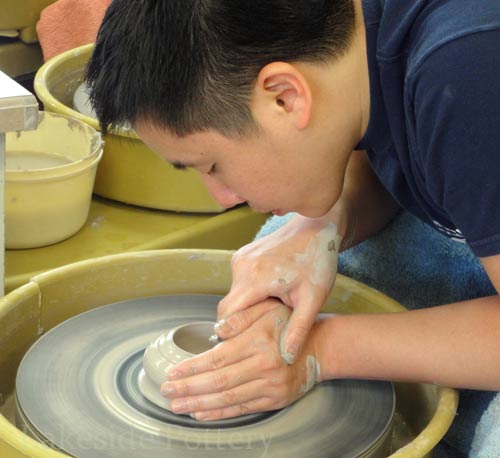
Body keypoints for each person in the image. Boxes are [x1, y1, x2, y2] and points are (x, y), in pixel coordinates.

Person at [86, 0, 500, 455]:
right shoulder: (361, 48)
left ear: (284, 96)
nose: (222, 198)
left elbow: (454, 130)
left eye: (212, 165)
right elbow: (386, 133)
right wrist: (325, 222)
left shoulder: (468, 76)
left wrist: (321, 351)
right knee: (286, 245)